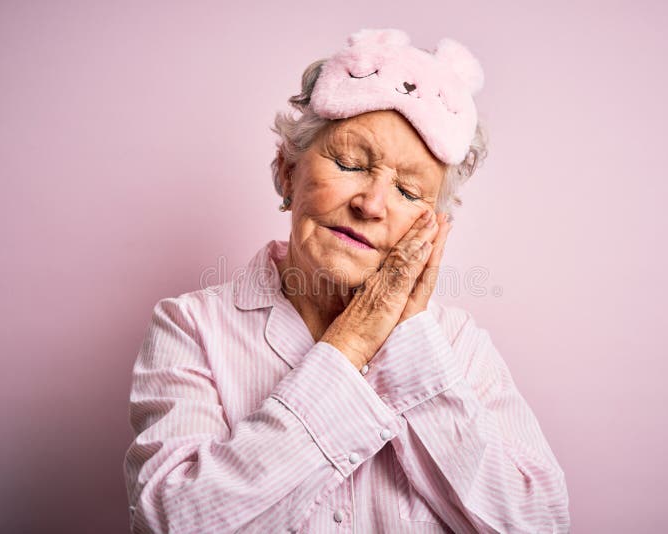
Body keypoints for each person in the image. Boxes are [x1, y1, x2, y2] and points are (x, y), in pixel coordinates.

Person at [123, 28, 570, 533]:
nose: (371, 205)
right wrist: (351, 342)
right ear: (287, 171)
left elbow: (538, 523)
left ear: (434, 223)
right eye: (350, 164)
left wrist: (407, 342)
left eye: (407, 190)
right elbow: (170, 522)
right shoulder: (190, 327)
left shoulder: (459, 345)